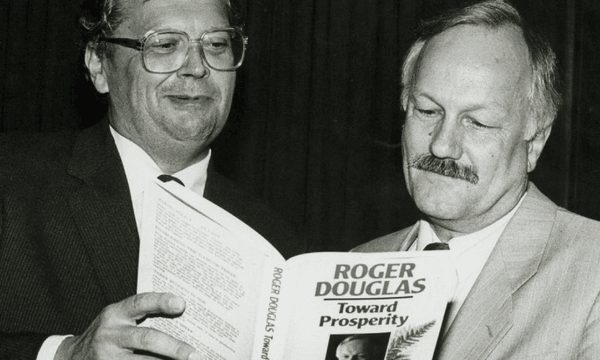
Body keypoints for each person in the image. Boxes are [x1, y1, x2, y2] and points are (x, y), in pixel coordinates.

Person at [0, 0, 307, 359]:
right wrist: (63, 354)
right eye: (164, 44)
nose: (197, 68)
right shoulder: (12, 182)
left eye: (217, 45)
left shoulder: (277, 242)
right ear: (99, 65)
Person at [354, 1, 600, 359]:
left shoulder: (592, 273)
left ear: (535, 142)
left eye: (477, 123)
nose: (441, 145)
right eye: (427, 111)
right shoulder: (357, 266)